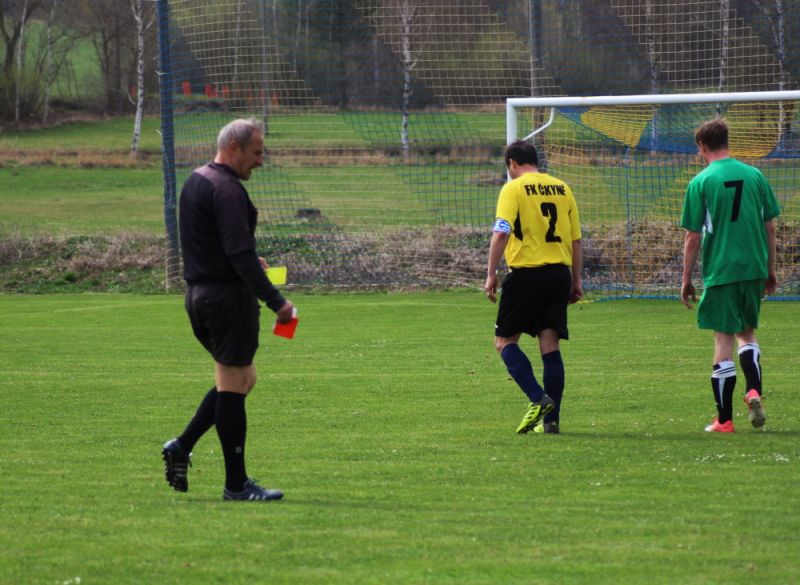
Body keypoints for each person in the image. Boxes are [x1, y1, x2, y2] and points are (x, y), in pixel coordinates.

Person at [162, 118, 295, 500]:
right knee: (234, 386)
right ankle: (236, 485)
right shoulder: (228, 190)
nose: (260, 162)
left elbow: (218, 245)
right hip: (225, 300)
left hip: (200, 295)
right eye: (256, 153)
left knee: (240, 380)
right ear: (234, 148)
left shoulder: (197, 181)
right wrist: (277, 302)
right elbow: (239, 253)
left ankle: (182, 446)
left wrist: (251, 262)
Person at [680, 118, 780, 433]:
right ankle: (753, 390)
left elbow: (692, 237)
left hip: (721, 269)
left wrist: (686, 279)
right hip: (753, 266)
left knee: (723, 337)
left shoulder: (700, 182)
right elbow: (770, 227)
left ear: (701, 147)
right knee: (747, 333)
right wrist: (771, 269)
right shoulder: (755, 175)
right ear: (727, 141)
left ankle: (724, 420)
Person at [484, 140, 583, 434]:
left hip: (527, 274)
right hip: (559, 274)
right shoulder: (563, 188)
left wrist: (491, 274)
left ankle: (538, 399)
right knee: (549, 344)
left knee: (504, 342)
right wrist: (576, 280)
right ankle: (552, 421)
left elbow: (502, 232)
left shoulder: (513, 189)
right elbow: (576, 241)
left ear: (512, 162)